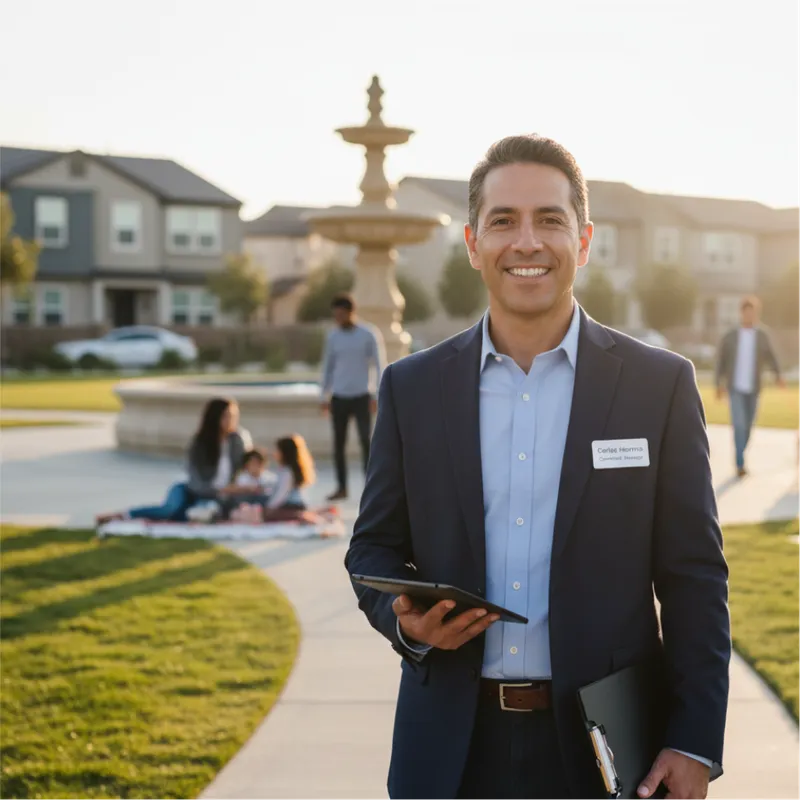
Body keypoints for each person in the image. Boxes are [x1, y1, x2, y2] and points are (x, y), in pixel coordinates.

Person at [345, 135, 730, 800]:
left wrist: (694, 740)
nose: (527, 242)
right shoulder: (412, 388)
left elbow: (694, 575)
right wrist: (403, 620)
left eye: (550, 219)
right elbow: (373, 546)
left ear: (582, 242)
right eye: (503, 221)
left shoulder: (657, 386)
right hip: (447, 753)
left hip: (606, 751)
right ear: (473, 244)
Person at [96, 397, 251, 524]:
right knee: (169, 509)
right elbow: (194, 479)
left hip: (216, 498)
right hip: (190, 490)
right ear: (215, 417)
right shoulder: (200, 443)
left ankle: (181, 516)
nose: (231, 420)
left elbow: (247, 469)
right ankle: (122, 515)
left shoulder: (237, 441)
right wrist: (220, 490)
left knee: (202, 514)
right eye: (226, 416)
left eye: (233, 416)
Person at [319, 292, 387, 501]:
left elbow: (379, 363)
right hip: (339, 397)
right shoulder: (333, 337)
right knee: (338, 445)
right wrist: (324, 396)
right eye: (335, 315)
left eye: (341, 314)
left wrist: (377, 394)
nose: (338, 318)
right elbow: (327, 367)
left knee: (366, 443)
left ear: (351, 312)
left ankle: (370, 488)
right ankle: (341, 487)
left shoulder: (368, 334)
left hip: (361, 396)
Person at [714, 296, 784, 477]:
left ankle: (741, 453)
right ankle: (739, 463)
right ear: (742, 313)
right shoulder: (730, 336)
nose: (749, 315)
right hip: (735, 387)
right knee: (738, 424)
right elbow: (720, 361)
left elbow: (771, 357)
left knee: (748, 426)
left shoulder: (762, 335)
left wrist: (778, 375)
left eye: (752, 312)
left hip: (754, 388)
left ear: (756, 314)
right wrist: (718, 385)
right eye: (747, 312)